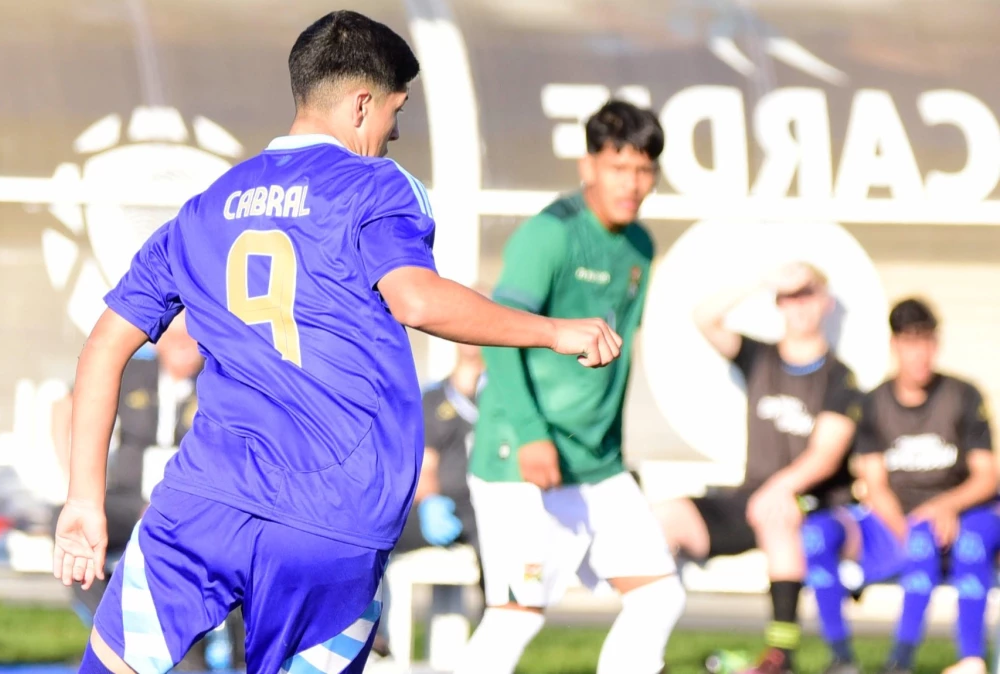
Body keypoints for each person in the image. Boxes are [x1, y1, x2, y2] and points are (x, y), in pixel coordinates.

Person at [51, 11, 622, 674]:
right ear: (361, 104)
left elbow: (105, 343)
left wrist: (83, 500)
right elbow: (415, 299)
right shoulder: (377, 186)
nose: (395, 134)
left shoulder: (205, 206)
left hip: (204, 504)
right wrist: (551, 331)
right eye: (396, 113)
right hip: (333, 518)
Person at [456, 100, 680, 674]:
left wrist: (612, 447)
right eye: (619, 167)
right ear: (588, 166)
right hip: (522, 456)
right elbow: (498, 336)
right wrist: (532, 435)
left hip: (596, 465)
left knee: (659, 596)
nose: (633, 183)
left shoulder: (640, 246)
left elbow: (616, 360)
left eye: (644, 170)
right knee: (516, 616)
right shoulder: (548, 235)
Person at [653, 261, 862, 674]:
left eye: (808, 294)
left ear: (825, 302)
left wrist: (781, 488)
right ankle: (647, 653)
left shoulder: (840, 378)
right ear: (778, 303)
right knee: (665, 518)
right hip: (751, 495)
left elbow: (826, 455)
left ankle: (781, 655)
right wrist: (764, 279)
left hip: (809, 503)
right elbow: (704, 317)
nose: (799, 305)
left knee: (777, 512)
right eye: (790, 296)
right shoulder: (759, 358)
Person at [803, 299, 997, 674]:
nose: (920, 354)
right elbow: (874, 485)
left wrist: (946, 507)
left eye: (927, 342)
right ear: (894, 345)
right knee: (817, 534)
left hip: (960, 518)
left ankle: (934, 659)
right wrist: (908, 531)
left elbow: (987, 475)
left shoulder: (963, 396)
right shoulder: (873, 403)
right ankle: (842, 659)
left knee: (956, 539)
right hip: (895, 522)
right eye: (911, 343)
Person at [51, 314, 232, 670]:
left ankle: (193, 646)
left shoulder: (220, 379)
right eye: (173, 338)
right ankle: (114, 633)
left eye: (189, 339)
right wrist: (79, 483)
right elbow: (67, 407)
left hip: (193, 505)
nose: (181, 346)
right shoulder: (133, 371)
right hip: (128, 498)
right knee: (75, 534)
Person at [375, 338, 485, 659]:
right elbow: (424, 463)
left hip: (482, 509)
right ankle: (374, 635)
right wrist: (431, 501)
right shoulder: (434, 397)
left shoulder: (502, 396)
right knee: (374, 536)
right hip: (437, 509)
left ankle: (492, 637)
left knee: (496, 554)